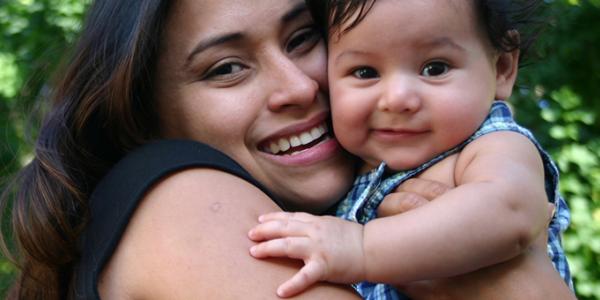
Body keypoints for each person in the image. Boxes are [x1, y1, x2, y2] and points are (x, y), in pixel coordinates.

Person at [0, 0, 575, 299]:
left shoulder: (470, 154)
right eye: (226, 69)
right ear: (146, 117)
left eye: (303, 39)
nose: (300, 87)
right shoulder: (174, 194)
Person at [248, 0, 574, 299]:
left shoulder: (494, 143)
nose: (397, 99)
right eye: (365, 72)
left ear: (502, 68)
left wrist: (360, 248)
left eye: (435, 68)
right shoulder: (343, 173)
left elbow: (511, 211)